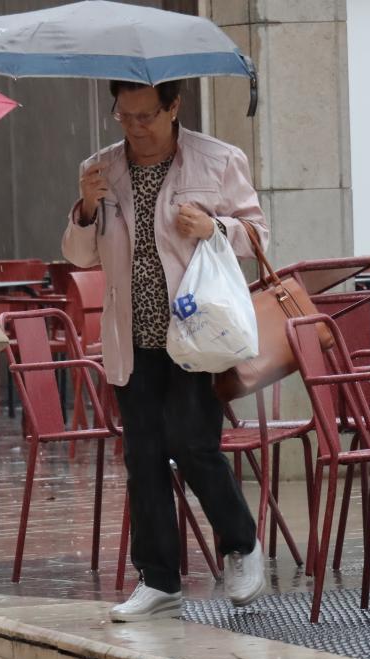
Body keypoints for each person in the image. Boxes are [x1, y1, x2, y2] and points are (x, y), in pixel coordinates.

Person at [63, 79, 270, 622]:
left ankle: (242, 544)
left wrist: (217, 227)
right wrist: (85, 208)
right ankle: (158, 581)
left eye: (146, 116)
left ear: (174, 107)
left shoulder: (218, 160)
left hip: (194, 337)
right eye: (124, 116)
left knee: (193, 444)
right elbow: (78, 257)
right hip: (131, 339)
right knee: (144, 459)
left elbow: (258, 236)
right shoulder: (101, 169)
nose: (135, 128)